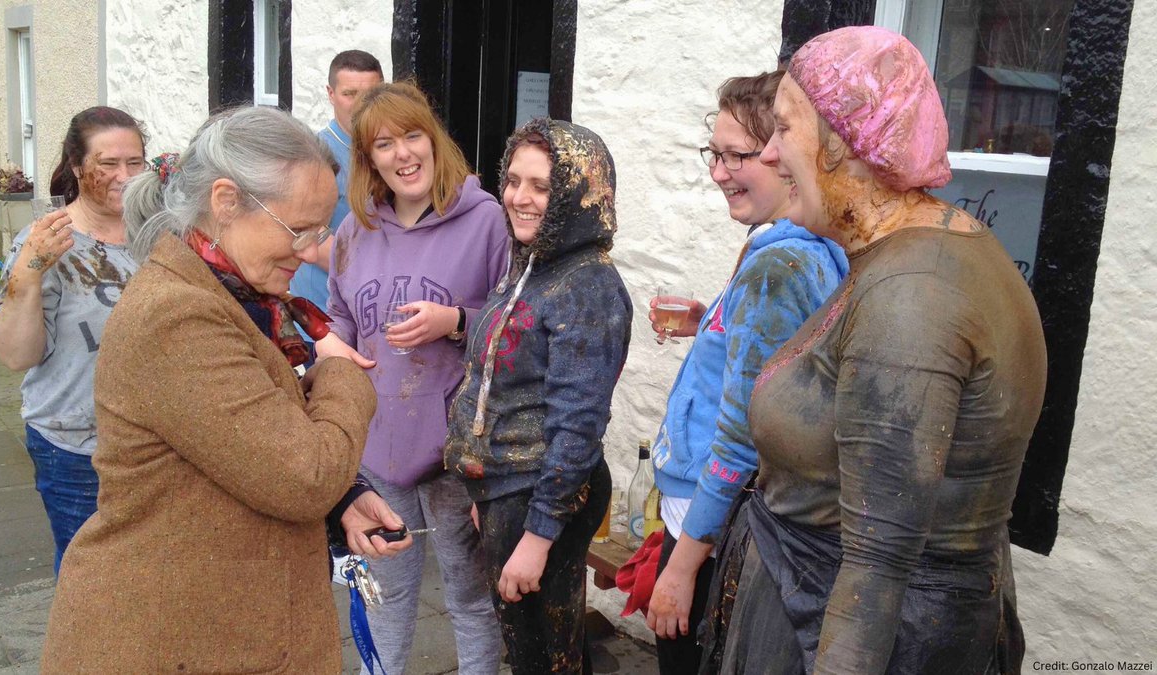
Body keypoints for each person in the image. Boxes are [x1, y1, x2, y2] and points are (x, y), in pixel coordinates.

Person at [699, 26, 1047, 674]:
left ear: (847, 141)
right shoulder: (905, 252)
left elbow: (875, 576)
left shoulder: (913, 297)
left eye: (785, 129)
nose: (770, 153)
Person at [40, 106, 409, 673]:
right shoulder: (179, 316)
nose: (312, 250)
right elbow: (303, 473)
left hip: (218, 627)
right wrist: (341, 371)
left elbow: (246, 436)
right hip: (171, 638)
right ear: (225, 201)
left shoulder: (240, 298)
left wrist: (345, 495)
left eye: (320, 229)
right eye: (298, 229)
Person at [643, 73, 848, 674]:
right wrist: (711, 325)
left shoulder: (778, 267)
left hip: (714, 533)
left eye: (738, 156)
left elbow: (744, 434)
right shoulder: (797, 246)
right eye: (716, 154)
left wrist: (681, 569)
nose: (718, 172)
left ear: (784, 158)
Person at [315, 80, 509, 675]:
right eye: (383, 145)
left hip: (456, 449)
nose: (402, 155)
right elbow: (341, 319)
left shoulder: (487, 221)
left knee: (471, 596)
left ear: (434, 139)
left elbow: (517, 327)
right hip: (378, 443)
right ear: (367, 160)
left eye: (412, 136)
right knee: (385, 593)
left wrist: (454, 321)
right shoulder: (355, 231)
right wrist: (327, 344)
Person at [446, 118, 632, 674]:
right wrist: (485, 485)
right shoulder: (531, 261)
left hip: (542, 493)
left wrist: (537, 536)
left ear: (578, 193)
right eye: (513, 180)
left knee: (544, 658)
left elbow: (577, 425)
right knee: (536, 650)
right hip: (509, 489)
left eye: (542, 187)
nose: (519, 198)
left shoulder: (588, 285)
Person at [0, 106, 146, 575]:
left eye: (135, 162)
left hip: (150, 444)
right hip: (76, 448)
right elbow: (17, 355)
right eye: (108, 164)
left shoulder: (158, 232)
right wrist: (29, 271)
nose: (124, 176)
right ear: (78, 167)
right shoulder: (46, 241)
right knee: (90, 580)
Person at [288, 49, 385, 326]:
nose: (361, 105)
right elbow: (307, 234)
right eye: (349, 94)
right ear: (331, 94)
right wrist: (381, 279)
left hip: (372, 319)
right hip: (323, 319)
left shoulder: (393, 151)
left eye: (370, 94)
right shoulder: (315, 155)